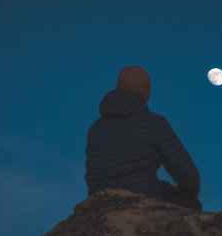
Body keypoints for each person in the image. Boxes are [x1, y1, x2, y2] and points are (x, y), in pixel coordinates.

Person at [84, 66, 202, 211]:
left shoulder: (95, 129)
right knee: (191, 204)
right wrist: (186, 193)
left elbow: (116, 176)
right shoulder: (154, 124)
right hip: (143, 201)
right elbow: (190, 179)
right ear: (147, 94)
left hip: (100, 205)